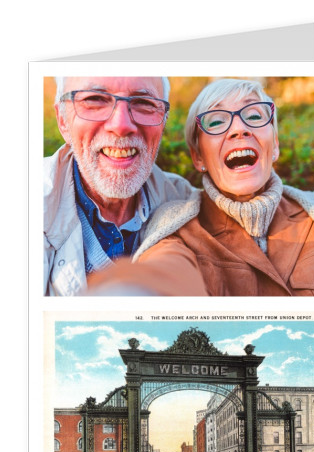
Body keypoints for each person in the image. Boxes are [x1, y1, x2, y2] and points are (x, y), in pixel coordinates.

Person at [87, 78, 314, 296]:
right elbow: (165, 271)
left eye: (254, 116)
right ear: (198, 157)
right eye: (216, 121)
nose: (239, 129)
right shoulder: (176, 229)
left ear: (274, 144)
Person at [44, 76, 199, 296]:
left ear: (163, 121)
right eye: (95, 99)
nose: (121, 126)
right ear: (62, 120)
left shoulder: (187, 204)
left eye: (144, 103)